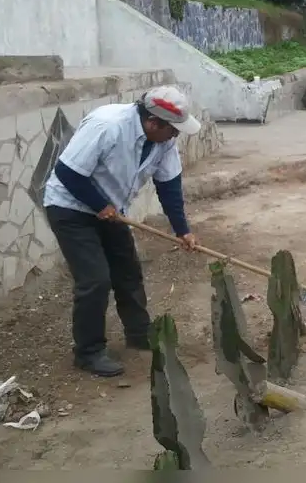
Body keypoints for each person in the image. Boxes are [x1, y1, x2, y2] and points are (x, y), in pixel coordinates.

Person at [43, 86, 202, 377]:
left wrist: (182, 230)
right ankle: (88, 352)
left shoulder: (163, 141)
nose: (175, 136)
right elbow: (67, 173)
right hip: (70, 207)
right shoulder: (109, 126)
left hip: (111, 210)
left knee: (127, 270)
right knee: (95, 279)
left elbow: (169, 185)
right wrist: (98, 204)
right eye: (173, 130)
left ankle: (139, 334)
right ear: (154, 123)